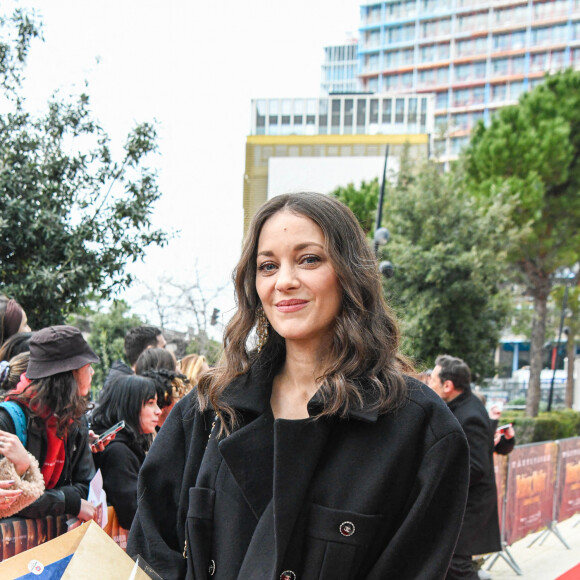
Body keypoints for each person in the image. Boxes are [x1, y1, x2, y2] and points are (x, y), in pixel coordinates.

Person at [128, 192, 470, 579]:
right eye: (268, 265)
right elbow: (151, 551)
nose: (285, 281)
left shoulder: (420, 430)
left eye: (309, 259)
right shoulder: (209, 409)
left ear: (350, 271)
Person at [0, 325, 98, 520]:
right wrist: (68, 501)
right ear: (70, 374)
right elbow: (9, 501)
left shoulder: (75, 418)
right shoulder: (8, 419)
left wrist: (56, 498)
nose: (93, 372)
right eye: (88, 366)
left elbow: (85, 487)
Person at [429, 355, 502, 580]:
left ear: (447, 386)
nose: (429, 384)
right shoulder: (460, 407)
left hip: (469, 508)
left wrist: (439, 480)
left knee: (457, 566)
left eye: (432, 379)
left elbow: (477, 466)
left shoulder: (470, 414)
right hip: (461, 505)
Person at [90, 374, 161, 530]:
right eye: (150, 403)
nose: (158, 411)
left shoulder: (126, 446)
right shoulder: (117, 451)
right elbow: (132, 512)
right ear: (130, 406)